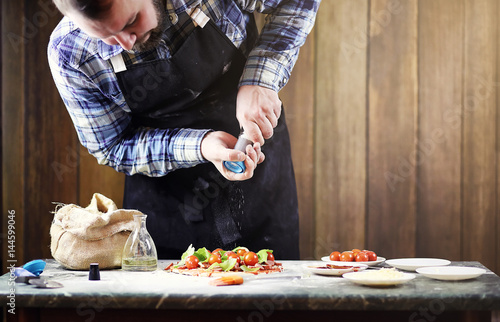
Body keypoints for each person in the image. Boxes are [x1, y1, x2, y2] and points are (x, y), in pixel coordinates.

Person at [48, 0, 320, 259]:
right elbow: (114, 146)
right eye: (107, 38)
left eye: (132, 21)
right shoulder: (70, 52)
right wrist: (201, 145)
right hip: (167, 199)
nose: (126, 43)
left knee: (273, 292)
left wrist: (261, 79)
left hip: (256, 164)